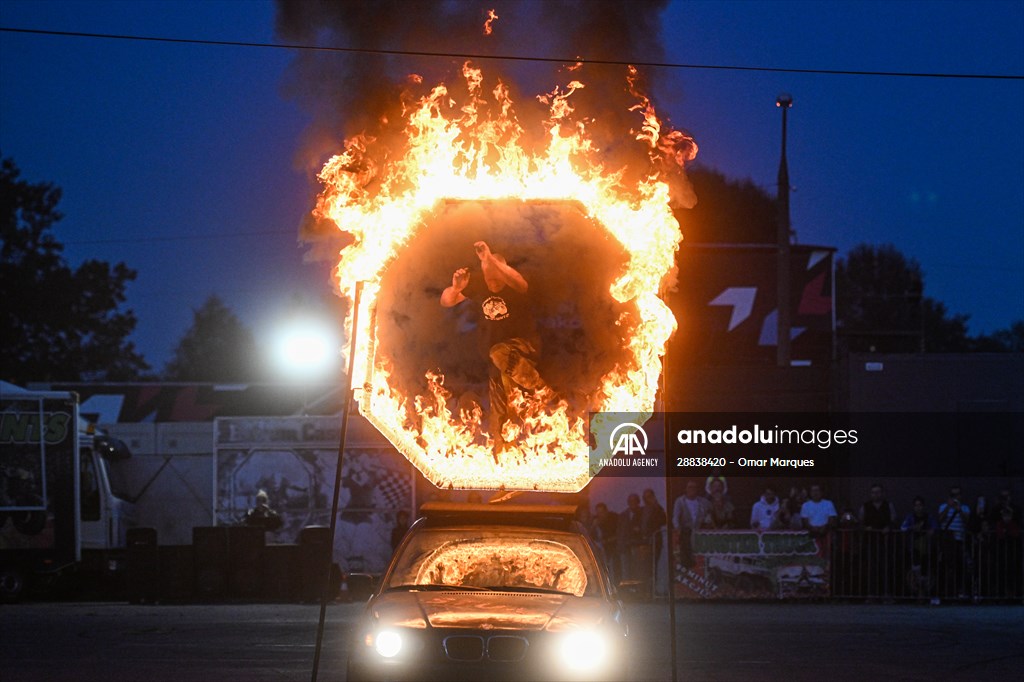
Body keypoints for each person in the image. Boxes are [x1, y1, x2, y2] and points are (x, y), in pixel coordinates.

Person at [440, 240, 548, 455]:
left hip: (523, 349)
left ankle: (540, 388)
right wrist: (455, 288)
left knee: (498, 352)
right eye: (490, 278)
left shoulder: (516, 287)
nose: (494, 282)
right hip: (498, 363)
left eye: (499, 277)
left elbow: (518, 282)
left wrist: (489, 259)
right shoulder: (479, 288)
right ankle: (504, 458)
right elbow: (446, 301)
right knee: (500, 415)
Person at [858, 484, 897, 600]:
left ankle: (887, 594)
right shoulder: (865, 506)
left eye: (878, 492)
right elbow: (860, 522)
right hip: (870, 542)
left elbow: (894, 519)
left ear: (883, 493)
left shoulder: (888, 505)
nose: (876, 494)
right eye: (873, 492)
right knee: (871, 568)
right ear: (870, 494)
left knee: (886, 568)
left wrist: (888, 528)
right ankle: (871, 594)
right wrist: (866, 528)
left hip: (885, 542)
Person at [937, 485, 972, 599]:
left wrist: (959, 510)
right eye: (953, 495)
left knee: (960, 566)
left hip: (959, 541)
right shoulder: (943, 507)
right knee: (946, 567)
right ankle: (946, 592)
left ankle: (959, 591)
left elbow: (967, 521)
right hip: (947, 541)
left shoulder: (965, 508)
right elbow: (940, 520)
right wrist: (948, 506)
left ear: (960, 496)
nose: (955, 497)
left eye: (957, 495)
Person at [901, 496, 938, 601]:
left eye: (920, 505)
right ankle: (916, 593)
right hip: (914, 549)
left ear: (923, 506)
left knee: (926, 572)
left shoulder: (928, 517)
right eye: (916, 505)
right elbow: (902, 528)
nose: (918, 508)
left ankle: (924, 593)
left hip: (926, 549)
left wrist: (932, 531)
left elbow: (935, 527)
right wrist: (912, 528)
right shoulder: (910, 517)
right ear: (913, 507)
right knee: (915, 571)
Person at [673, 480, 711, 570]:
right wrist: (677, 528)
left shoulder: (704, 502)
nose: (692, 489)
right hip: (685, 533)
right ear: (686, 489)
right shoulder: (680, 501)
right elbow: (675, 517)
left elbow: (710, 513)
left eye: (694, 487)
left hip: (700, 533)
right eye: (690, 487)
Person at [591, 502, 621, 585]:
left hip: (613, 548)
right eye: (598, 512)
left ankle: (616, 586)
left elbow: (619, 534)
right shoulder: (595, 520)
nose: (600, 514)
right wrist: (594, 526)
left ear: (606, 511)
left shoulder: (613, 519)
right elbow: (591, 535)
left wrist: (606, 541)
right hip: (600, 550)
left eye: (602, 512)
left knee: (614, 569)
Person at [641, 488, 667, 567]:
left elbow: (663, 520)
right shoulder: (642, 510)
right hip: (644, 541)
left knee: (653, 563)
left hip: (655, 540)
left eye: (649, 496)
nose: (647, 499)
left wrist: (656, 505)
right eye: (646, 497)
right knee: (645, 564)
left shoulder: (658, 509)